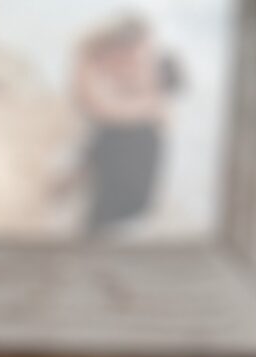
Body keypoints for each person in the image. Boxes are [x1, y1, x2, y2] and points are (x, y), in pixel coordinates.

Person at [71, 14, 183, 235]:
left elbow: (165, 111)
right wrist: (147, 108)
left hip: (131, 155)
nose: (138, 59)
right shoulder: (93, 60)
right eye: (135, 50)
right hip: (110, 153)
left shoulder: (155, 66)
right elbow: (98, 108)